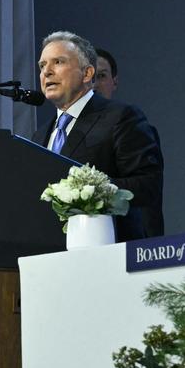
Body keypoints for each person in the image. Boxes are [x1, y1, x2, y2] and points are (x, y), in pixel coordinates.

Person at [39, 31, 164, 240]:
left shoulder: (120, 117)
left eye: (58, 62)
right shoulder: (39, 135)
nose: (47, 72)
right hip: (46, 255)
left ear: (88, 74)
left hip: (106, 249)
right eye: (42, 66)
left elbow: (147, 185)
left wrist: (87, 193)